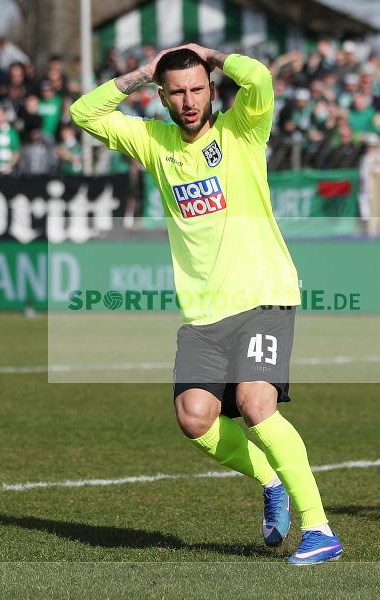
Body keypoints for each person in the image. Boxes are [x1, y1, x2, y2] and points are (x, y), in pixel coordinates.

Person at [70, 44, 342, 565]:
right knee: (194, 418)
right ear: (162, 97)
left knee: (256, 405)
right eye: (177, 92)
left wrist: (211, 55)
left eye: (198, 89)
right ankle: (270, 480)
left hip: (263, 294)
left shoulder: (242, 130)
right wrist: (143, 72)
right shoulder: (154, 142)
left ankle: (320, 530)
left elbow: (259, 78)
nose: (190, 101)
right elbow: (84, 112)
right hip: (203, 313)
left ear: (212, 88)